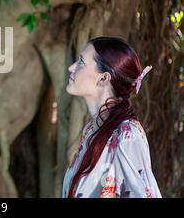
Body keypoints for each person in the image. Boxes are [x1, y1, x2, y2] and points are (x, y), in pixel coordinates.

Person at [62, 36, 161, 198]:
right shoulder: (92, 129)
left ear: (104, 78)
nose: (71, 68)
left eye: (81, 62)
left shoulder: (127, 136)